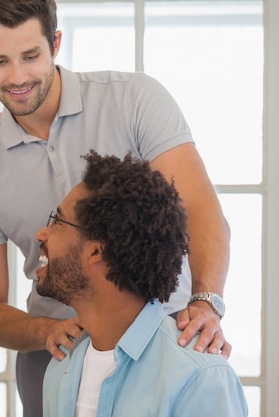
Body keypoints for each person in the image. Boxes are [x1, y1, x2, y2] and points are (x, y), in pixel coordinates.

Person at [0, 1, 231, 415]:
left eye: (31, 56)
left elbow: (199, 209)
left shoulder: (135, 99)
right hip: (55, 355)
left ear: (55, 44)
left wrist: (206, 302)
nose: (17, 77)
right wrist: (48, 330)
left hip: (162, 334)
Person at [37, 151, 247, 416]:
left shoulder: (199, 377)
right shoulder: (60, 368)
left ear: (95, 252)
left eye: (57, 222)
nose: (41, 233)